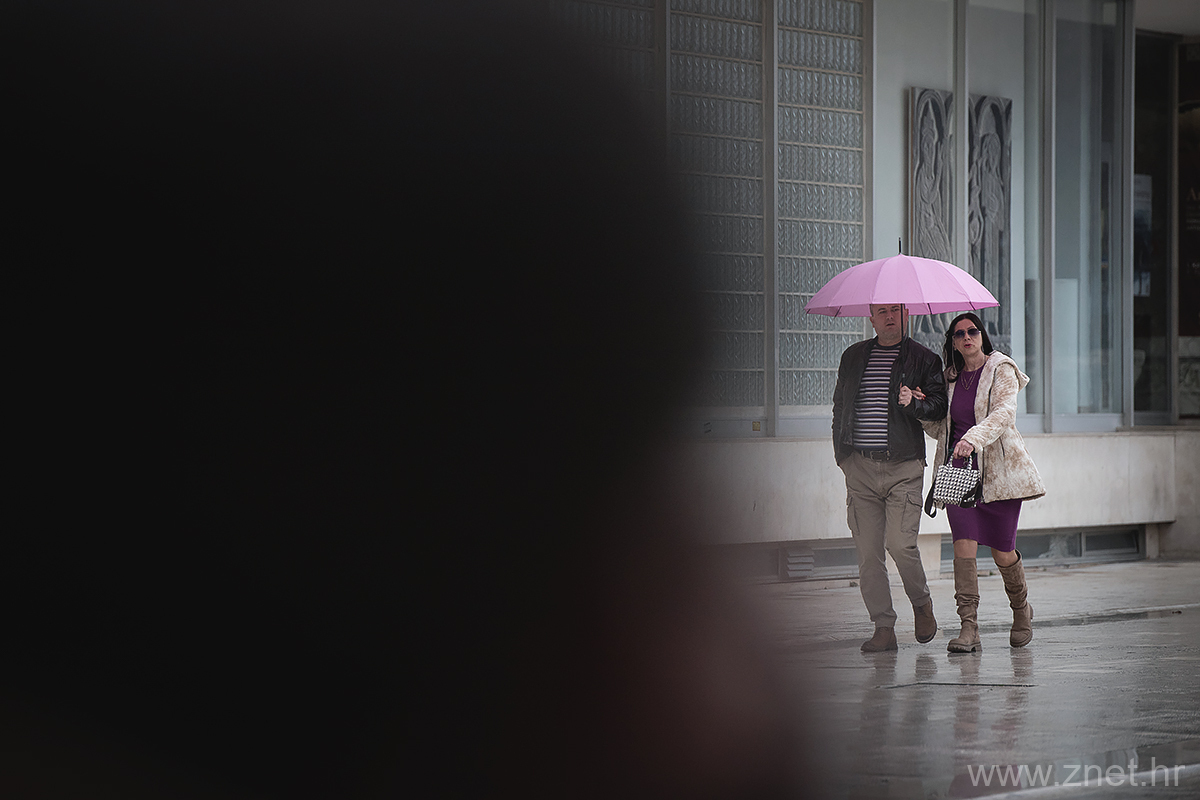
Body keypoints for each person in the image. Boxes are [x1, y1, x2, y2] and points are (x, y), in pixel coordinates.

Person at [922, 313, 1046, 653]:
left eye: (972, 331)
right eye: (959, 333)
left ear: (981, 336)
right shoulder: (949, 379)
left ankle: (1021, 610)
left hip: (999, 475)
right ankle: (969, 627)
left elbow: (1004, 414)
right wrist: (921, 408)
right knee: (963, 545)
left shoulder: (1000, 369)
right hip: (959, 474)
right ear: (952, 342)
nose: (967, 337)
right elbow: (941, 429)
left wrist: (973, 439)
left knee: (1002, 552)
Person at [833, 303, 949, 652]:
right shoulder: (853, 356)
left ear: (906, 315)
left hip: (903, 467)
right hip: (860, 468)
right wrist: (843, 457)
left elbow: (939, 407)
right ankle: (883, 627)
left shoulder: (924, 359)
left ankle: (921, 604)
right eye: (881, 311)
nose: (888, 318)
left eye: (895, 311)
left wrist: (913, 403)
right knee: (868, 555)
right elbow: (840, 406)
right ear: (871, 318)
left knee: (900, 544)